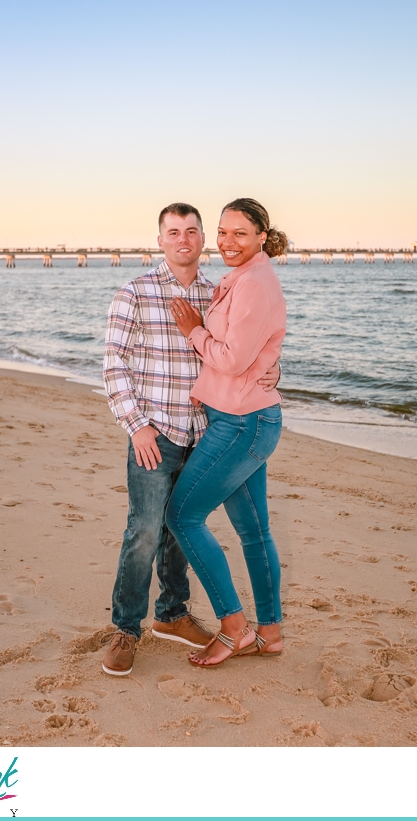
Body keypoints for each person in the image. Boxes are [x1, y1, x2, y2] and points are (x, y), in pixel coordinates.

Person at [100, 203, 278, 677]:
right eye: (173, 232)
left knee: (181, 529)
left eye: (193, 231)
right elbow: (114, 365)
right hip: (155, 434)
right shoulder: (135, 292)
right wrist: (136, 426)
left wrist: (270, 370)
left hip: (206, 431)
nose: (184, 239)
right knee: (144, 531)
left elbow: (241, 350)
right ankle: (126, 629)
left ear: (202, 240)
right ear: (160, 241)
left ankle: (174, 613)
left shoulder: (216, 291)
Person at [164, 197, 288, 667]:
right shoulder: (241, 279)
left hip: (242, 424)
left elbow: (233, 359)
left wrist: (195, 332)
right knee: (254, 533)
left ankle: (234, 627)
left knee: (183, 516)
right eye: (222, 232)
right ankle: (269, 634)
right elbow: (251, 354)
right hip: (244, 417)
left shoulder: (254, 284)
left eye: (240, 233)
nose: (228, 242)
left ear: (261, 236)